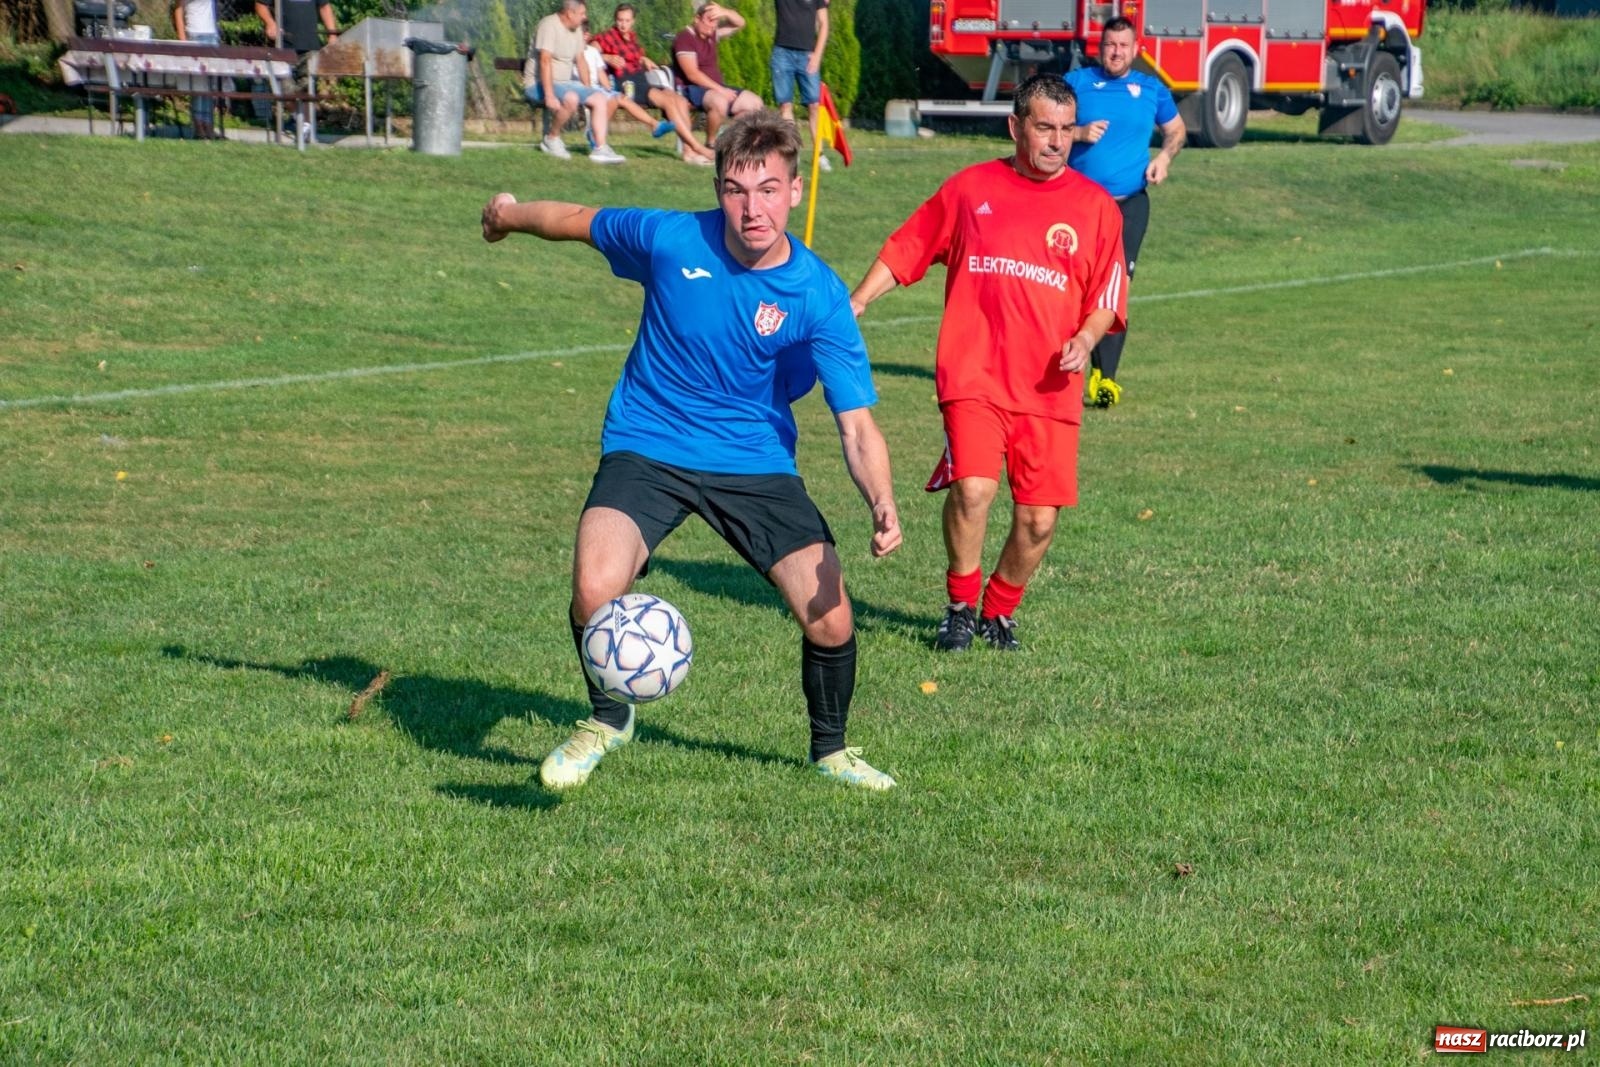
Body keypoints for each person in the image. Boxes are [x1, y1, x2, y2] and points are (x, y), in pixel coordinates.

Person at [480, 110, 903, 792]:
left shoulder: (818, 294)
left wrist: (881, 501)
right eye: (736, 190)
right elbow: (576, 219)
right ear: (717, 190)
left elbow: (856, 425)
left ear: (795, 190)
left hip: (754, 460)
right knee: (593, 589)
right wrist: (507, 215)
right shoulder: (672, 239)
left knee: (831, 617)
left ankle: (831, 751)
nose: (752, 208)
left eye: (768, 190)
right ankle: (608, 718)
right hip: (649, 443)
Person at [850, 74, 1126, 653]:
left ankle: (998, 612)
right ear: (1015, 127)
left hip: (1050, 388)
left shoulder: (1098, 209)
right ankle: (959, 607)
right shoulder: (970, 189)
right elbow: (908, 247)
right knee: (973, 490)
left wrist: (1085, 337)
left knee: (1039, 521)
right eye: (1044, 128)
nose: (1057, 141)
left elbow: (1107, 297)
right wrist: (860, 300)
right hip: (974, 375)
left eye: (1066, 129)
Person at [1064, 16, 1185, 408]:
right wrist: (1078, 133)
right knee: (1074, 286)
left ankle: (1106, 379)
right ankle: (1067, 365)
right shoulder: (1076, 83)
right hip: (1080, 205)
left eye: (1122, 46)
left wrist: (1164, 158)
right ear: (1099, 48)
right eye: (1109, 45)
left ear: (1136, 49)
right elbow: (1044, 125)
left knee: (1117, 288)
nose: (1115, 52)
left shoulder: (1151, 89)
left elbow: (1177, 130)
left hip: (1130, 204)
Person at [592, 4, 717, 166]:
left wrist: (643, 59)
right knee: (668, 102)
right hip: (626, 84)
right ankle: (697, 147)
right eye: (620, 20)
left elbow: (633, 58)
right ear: (615, 20)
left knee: (678, 100)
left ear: (633, 21)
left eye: (627, 21)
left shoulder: (632, 37)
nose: (623, 24)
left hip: (641, 79)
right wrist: (607, 57)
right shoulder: (608, 36)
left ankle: (688, 153)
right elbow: (590, 51)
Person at [526, 0, 624, 164]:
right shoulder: (548, 25)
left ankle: (600, 149)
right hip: (538, 84)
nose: (585, 17)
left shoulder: (577, 29)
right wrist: (549, 96)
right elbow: (545, 60)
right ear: (570, 13)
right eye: (582, 14)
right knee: (571, 98)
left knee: (599, 98)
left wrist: (588, 90)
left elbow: (581, 60)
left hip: (564, 83)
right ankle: (552, 139)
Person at [672, 2, 762, 147]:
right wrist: (721, 90)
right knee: (720, 102)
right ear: (697, 19)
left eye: (716, 21)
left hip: (715, 88)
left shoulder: (712, 34)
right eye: (710, 20)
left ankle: (725, 139)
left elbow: (740, 23)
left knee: (755, 104)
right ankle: (710, 144)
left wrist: (725, 11)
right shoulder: (685, 38)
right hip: (691, 89)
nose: (713, 25)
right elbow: (692, 74)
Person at [770, 0, 833, 171]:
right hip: (782, 54)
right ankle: (793, 152)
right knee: (785, 105)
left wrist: (817, 56)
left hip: (808, 55)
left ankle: (819, 154)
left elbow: (824, 24)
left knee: (814, 105)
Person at [173, 0, 221, 139]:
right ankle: (198, 126)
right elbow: (178, 9)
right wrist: (183, 39)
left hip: (211, 35)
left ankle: (208, 125)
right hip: (195, 34)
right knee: (198, 85)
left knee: (209, 86)